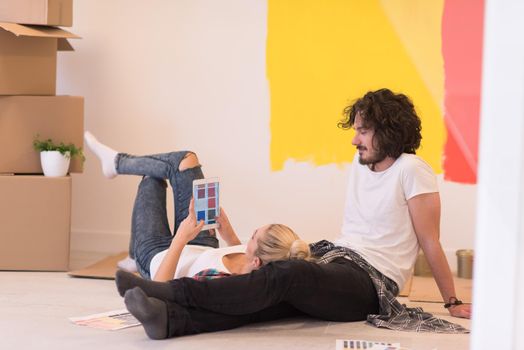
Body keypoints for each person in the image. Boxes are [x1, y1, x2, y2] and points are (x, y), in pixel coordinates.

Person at [113, 89, 472, 339]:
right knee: (270, 295)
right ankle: (171, 321)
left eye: (362, 131)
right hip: (337, 258)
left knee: (286, 274)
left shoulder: (412, 169)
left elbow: (430, 240)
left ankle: (170, 293)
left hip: (370, 282)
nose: (354, 140)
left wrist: (451, 301)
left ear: (388, 132)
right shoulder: (361, 162)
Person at [84, 132, 311, 283]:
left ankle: (116, 164)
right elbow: (242, 253)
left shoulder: (220, 281)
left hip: (157, 255)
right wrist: (227, 232)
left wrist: (181, 238)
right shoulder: (257, 262)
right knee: (187, 160)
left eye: (252, 236)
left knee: (151, 178)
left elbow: (160, 287)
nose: (248, 238)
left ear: (257, 262)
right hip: (201, 242)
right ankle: (116, 163)